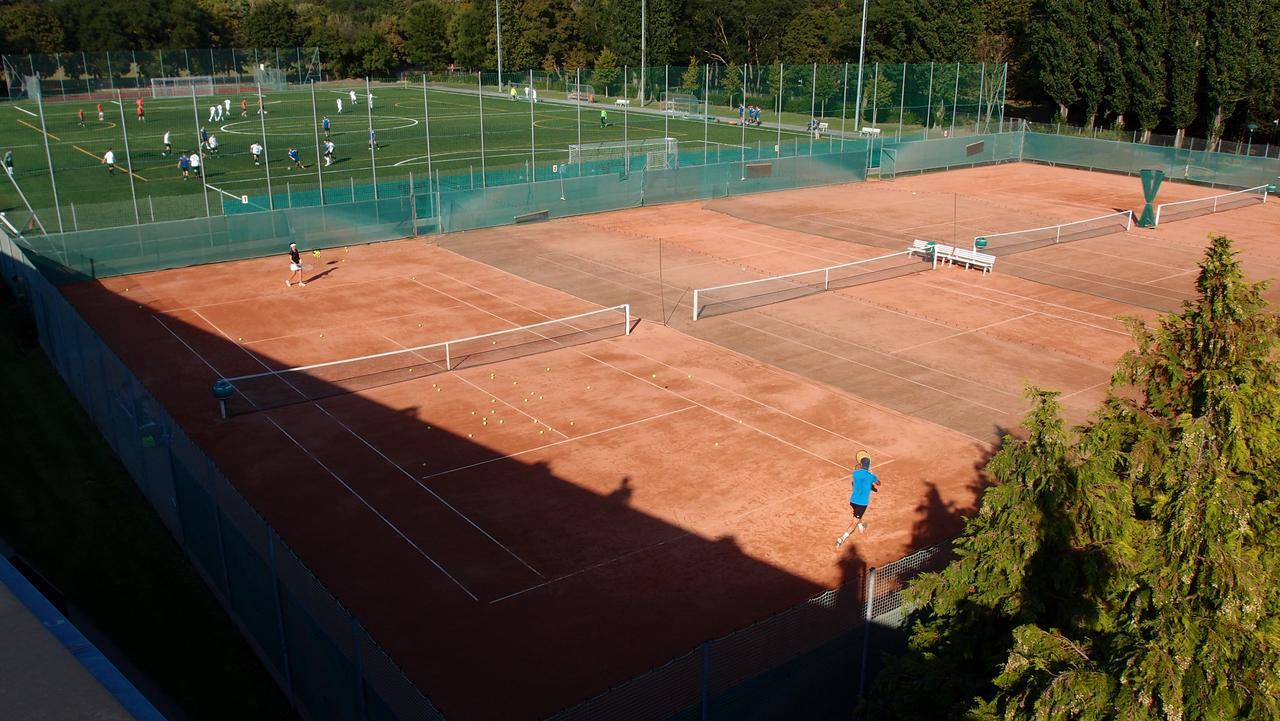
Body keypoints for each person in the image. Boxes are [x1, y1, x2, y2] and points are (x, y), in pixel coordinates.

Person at [835, 452, 880, 548]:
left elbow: (860, 475)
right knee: (854, 522)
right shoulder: (871, 476)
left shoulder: (855, 473)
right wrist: (872, 475)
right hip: (862, 503)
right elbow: (879, 483)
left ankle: (861, 527)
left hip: (853, 501)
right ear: (868, 465)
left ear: (861, 464)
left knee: (858, 515)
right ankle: (841, 539)